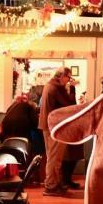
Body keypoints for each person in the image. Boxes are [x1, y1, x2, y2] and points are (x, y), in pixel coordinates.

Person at [39, 67, 76, 195]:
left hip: (48, 125)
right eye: (68, 77)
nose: (69, 80)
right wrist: (72, 88)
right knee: (54, 157)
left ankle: (55, 183)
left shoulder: (50, 85)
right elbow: (70, 104)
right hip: (54, 126)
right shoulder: (56, 88)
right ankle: (50, 186)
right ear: (61, 76)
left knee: (54, 157)